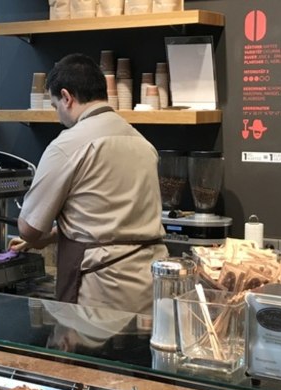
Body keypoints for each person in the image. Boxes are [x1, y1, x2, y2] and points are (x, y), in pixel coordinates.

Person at [9, 53, 168, 315]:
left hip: (99, 290)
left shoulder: (68, 144)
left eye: (54, 105)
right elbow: (112, 222)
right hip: (148, 285)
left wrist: (37, 238)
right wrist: (51, 238)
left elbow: (28, 229)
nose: (57, 113)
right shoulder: (142, 142)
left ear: (67, 97)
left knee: (87, 356)